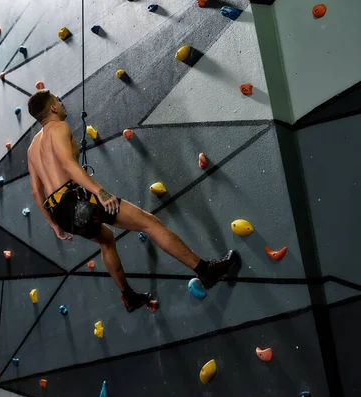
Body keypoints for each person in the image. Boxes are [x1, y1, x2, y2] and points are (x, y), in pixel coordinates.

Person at [26, 89, 241, 313]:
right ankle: (206, 271)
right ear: (52, 108)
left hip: (61, 212)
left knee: (106, 239)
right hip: (76, 199)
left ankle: (129, 297)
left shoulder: (32, 148)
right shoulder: (59, 127)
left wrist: (53, 225)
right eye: (58, 101)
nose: (61, 104)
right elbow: (68, 164)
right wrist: (100, 192)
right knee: (150, 223)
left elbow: (35, 191)